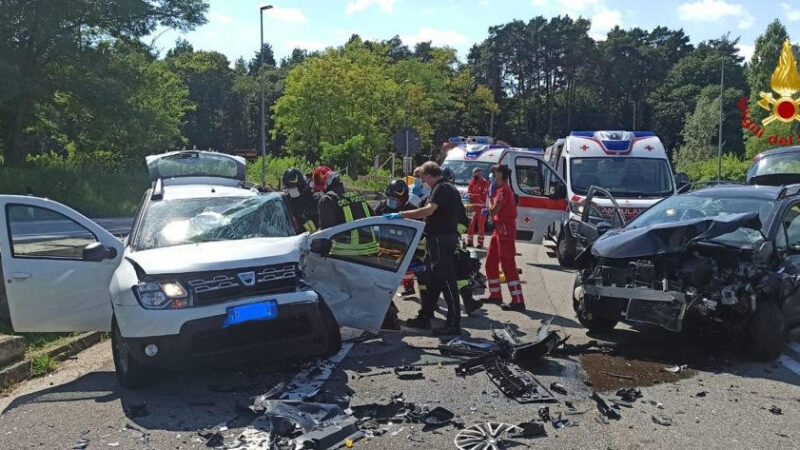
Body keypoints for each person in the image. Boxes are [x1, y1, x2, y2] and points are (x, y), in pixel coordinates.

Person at [384, 161, 463, 336]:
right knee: (434, 281)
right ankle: (425, 316)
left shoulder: (441, 188)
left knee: (447, 284)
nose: (422, 181)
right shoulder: (449, 188)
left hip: (440, 241)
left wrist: (401, 215)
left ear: (428, 175)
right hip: (443, 239)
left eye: (422, 178)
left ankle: (453, 324)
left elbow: (428, 210)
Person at [478, 164, 526, 311]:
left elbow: (493, 211)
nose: (492, 175)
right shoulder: (500, 189)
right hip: (499, 228)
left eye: (495, 172)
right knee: (491, 262)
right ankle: (495, 295)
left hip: (505, 229)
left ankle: (518, 300)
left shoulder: (503, 190)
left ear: (501, 175)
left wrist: (489, 204)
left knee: (508, 265)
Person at [314, 166, 376, 256]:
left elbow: (327, 234)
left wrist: (319, 252)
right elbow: (373, 217)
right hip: (371, 252)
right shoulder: (356, 194)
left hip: (346, 255)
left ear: (324, 183)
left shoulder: (327, 200)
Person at [282, 168, 320, 234]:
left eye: (293, 187)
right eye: (289, 188)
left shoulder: (314, 199)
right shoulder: (287, 200)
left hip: (313, 236)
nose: (291, 190)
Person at [466, 168, 490, 248]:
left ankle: (480, 243)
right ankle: (469, 242)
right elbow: (469, 192)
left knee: (481, 225)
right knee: (470, 224)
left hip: (482, 207)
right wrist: (469, 195)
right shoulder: (471, 181)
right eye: (474, 173)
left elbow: (483, 195)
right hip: (471, 206)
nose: (475, 175)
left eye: (477, 174)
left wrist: (473, 195)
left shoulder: (485, 182)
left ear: (480, 174)